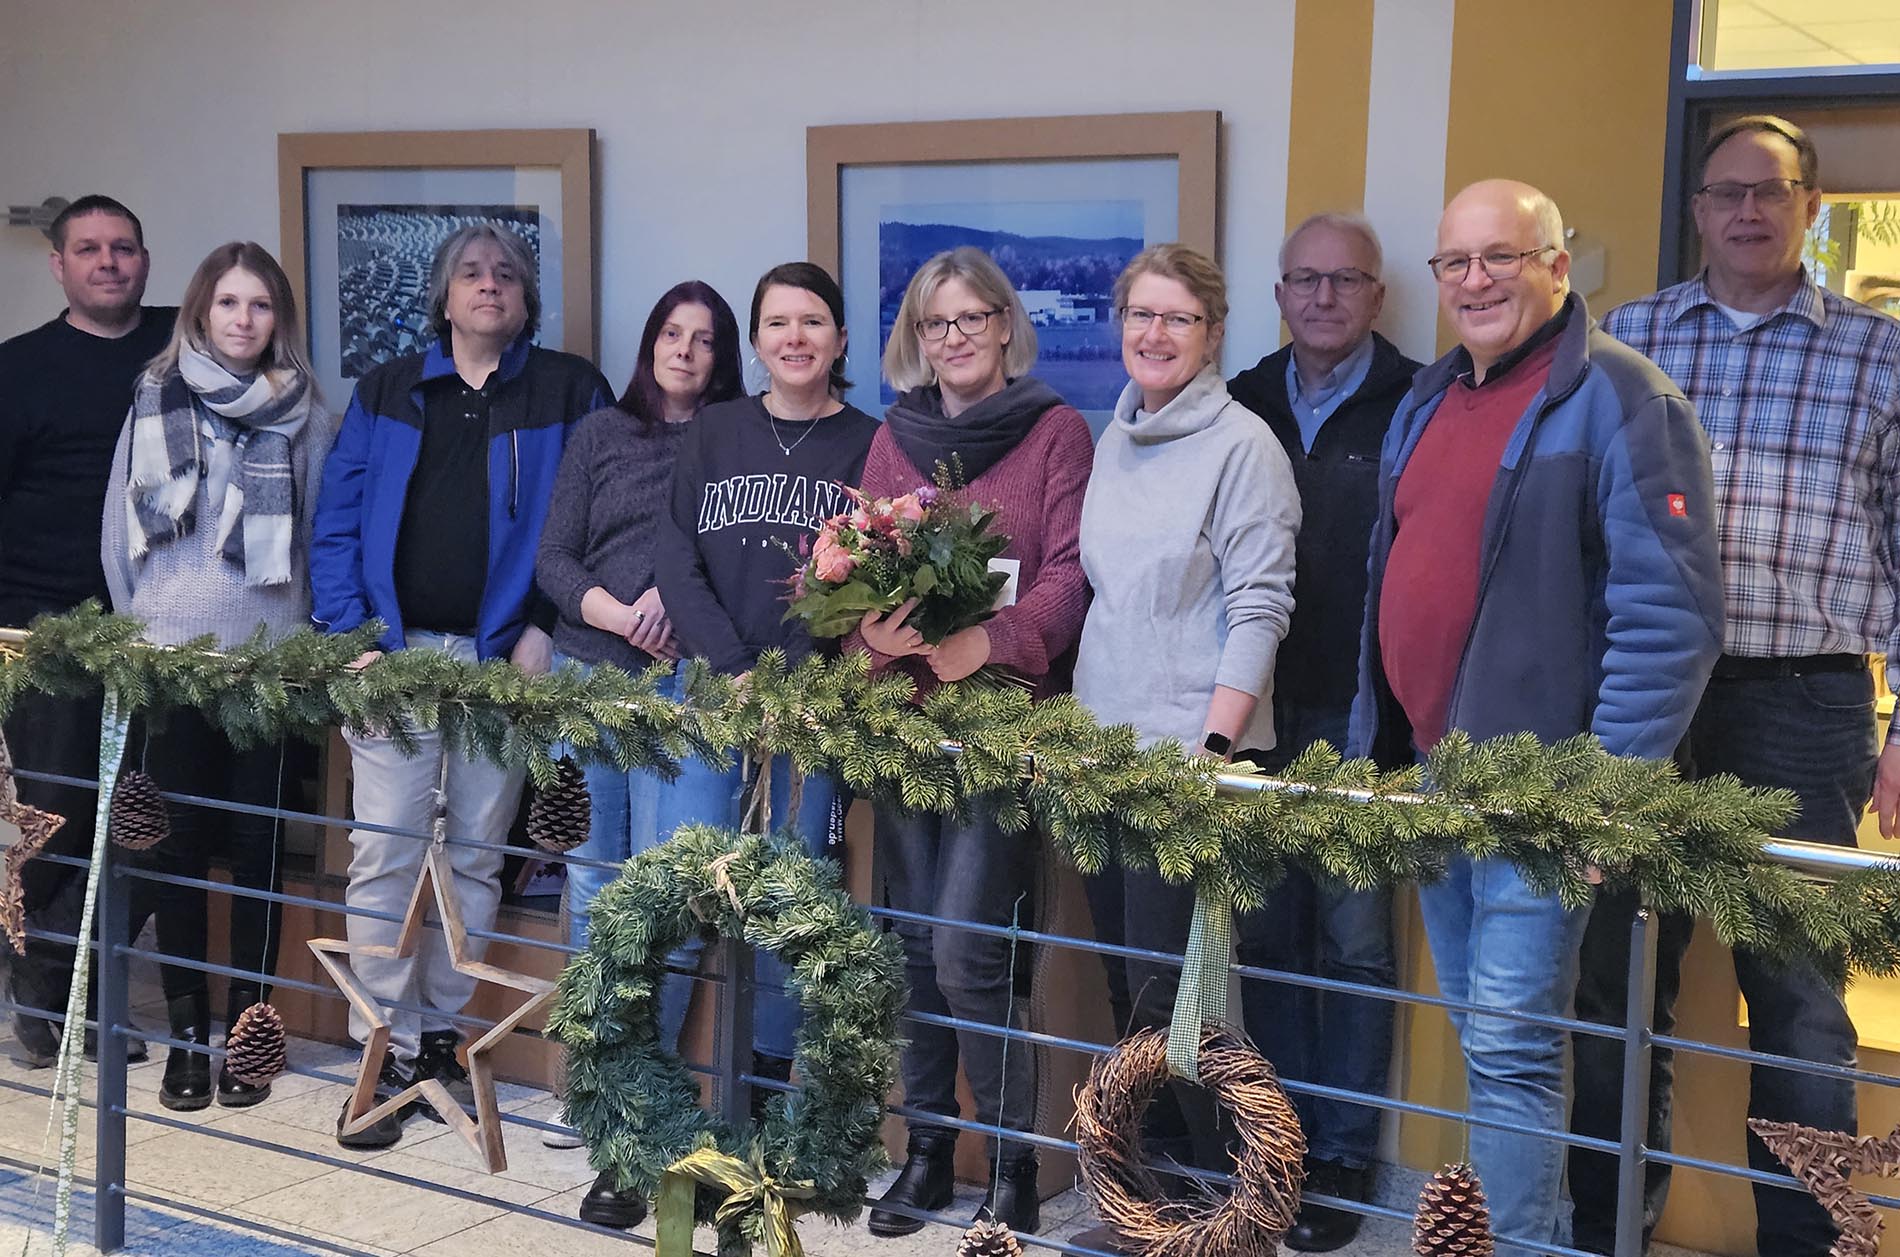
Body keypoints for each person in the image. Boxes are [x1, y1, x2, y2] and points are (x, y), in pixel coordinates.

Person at [1348, 180, 1722, 1254]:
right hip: (1437, 781)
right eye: (1455, 262)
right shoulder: (1426, 399)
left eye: (1501, 257)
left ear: (1558, 265)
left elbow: (1671, 618)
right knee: (1487, 1045)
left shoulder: (1621, 397)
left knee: (1511, 1051)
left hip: (1546, 802)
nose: (1475, 281)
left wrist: (1602, 800)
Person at [1568, 116, 1900, 1257]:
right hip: (1640, 700)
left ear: (1812, 205)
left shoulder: (1880, 354)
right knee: (1612, 979)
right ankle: (1605, 1227)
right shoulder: (1628, 340)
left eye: (1772, 191)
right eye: (1726, 193)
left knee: (1799, 997)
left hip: (1804, 702)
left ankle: (1807, 1247)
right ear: (1698, 208)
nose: (1747, 212)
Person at [311, 222, 609, 1150]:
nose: (491, 286)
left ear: (526, 299)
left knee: (476, 851)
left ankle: (441, 1032)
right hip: (395, 660)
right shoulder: (388, 389)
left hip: (504, 664)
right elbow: (337, 521)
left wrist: (547, 633)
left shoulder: (567, 389)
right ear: (443, 296)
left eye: (508, 275)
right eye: (472, 274)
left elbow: (598, 524)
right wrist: (349, 637)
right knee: (386, 852)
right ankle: (379, 1046)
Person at [852, 248, 1093, 1238]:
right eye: (935, 322)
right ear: (918, 336)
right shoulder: (892, 440)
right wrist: (867, 633)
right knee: (909, 950)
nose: (953, 338)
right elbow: (855, 564)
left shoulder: (1055, 432)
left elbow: (1073, 575)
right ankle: (923, 1154)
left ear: (1004, 325)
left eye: (970, 319)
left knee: (963, 951)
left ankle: (1011, 1164)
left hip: (1000, 730)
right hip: (904, 730)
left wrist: (986, 642)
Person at [1072, 243, 1300, 1213]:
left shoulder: (1242, 446)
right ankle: (1151, 1205)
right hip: (1101, 757)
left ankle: (1211, 1206)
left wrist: (1214, 748)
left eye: (1176, 318)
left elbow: (1260, 606)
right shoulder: (1114, 436)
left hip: (1189, 764)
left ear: (1212, 334)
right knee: (1132, 991)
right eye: (1139, 315)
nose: (1154, 334)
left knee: (1180, 1003)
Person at [98, 241, 335, 1110]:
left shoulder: (309, 416)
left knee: (260, 850)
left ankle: (250, 1032)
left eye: (260, 306)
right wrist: (141, 635)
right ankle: (190, 1031)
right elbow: (116, 529)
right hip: (170, 667)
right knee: (177, 852)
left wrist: (304, 647)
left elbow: (314, 537)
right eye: (228, 303)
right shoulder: (154, 398)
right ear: (200, 311)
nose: (243, 320)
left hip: (267, 668)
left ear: (280, 319)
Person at [1226, 212, 1418, 1252]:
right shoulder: (1241, 399)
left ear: (1377, 296)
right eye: (1304, 279)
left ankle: (1342, 1152)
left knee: (1350, 942)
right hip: (1250, 714)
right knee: (1265, 932)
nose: (1324, 298)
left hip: (1359, 715)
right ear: (1279, 294)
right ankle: (1279, 1140)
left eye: (1345, 281)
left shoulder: (1418, 398)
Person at [653, 254, 875, 1142]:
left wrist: (780, 675)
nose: (795, 337)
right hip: (709, 692)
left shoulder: (869, 441)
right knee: (674, 894)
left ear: (842, 339)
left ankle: (769, 1107)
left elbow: (863, 576)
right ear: (755, 341)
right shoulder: (714, 433)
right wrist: (736, 667)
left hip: (806, 707)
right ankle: (651, 1097)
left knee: (792, 902)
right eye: (778, 323)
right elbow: (677, 557)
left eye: (812, 322)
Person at [533, 279, 742, 1223]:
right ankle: (600, 1088)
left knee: (667, 901)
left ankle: (641, 1110)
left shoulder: (732, 440)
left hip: (687, 689)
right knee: (593, 886)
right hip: (590, 680)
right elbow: (553, 557)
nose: (685, 350)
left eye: (704, 339)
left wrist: (670, 598)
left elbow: (726, 553)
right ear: (649, 342)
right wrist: (618, 611)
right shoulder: (597, 434)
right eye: (671, 333)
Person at [0, 195, 173, 1069]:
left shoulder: (183, 348)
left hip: (163, 626)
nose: (109, 262)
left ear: (146, 260)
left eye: (125, 248)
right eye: (89, 249)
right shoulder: (17, 368)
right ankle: (46, 1000)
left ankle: (74, 985)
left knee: (157, 817)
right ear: (59, 265)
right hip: (47, 633)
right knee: (56, 818)